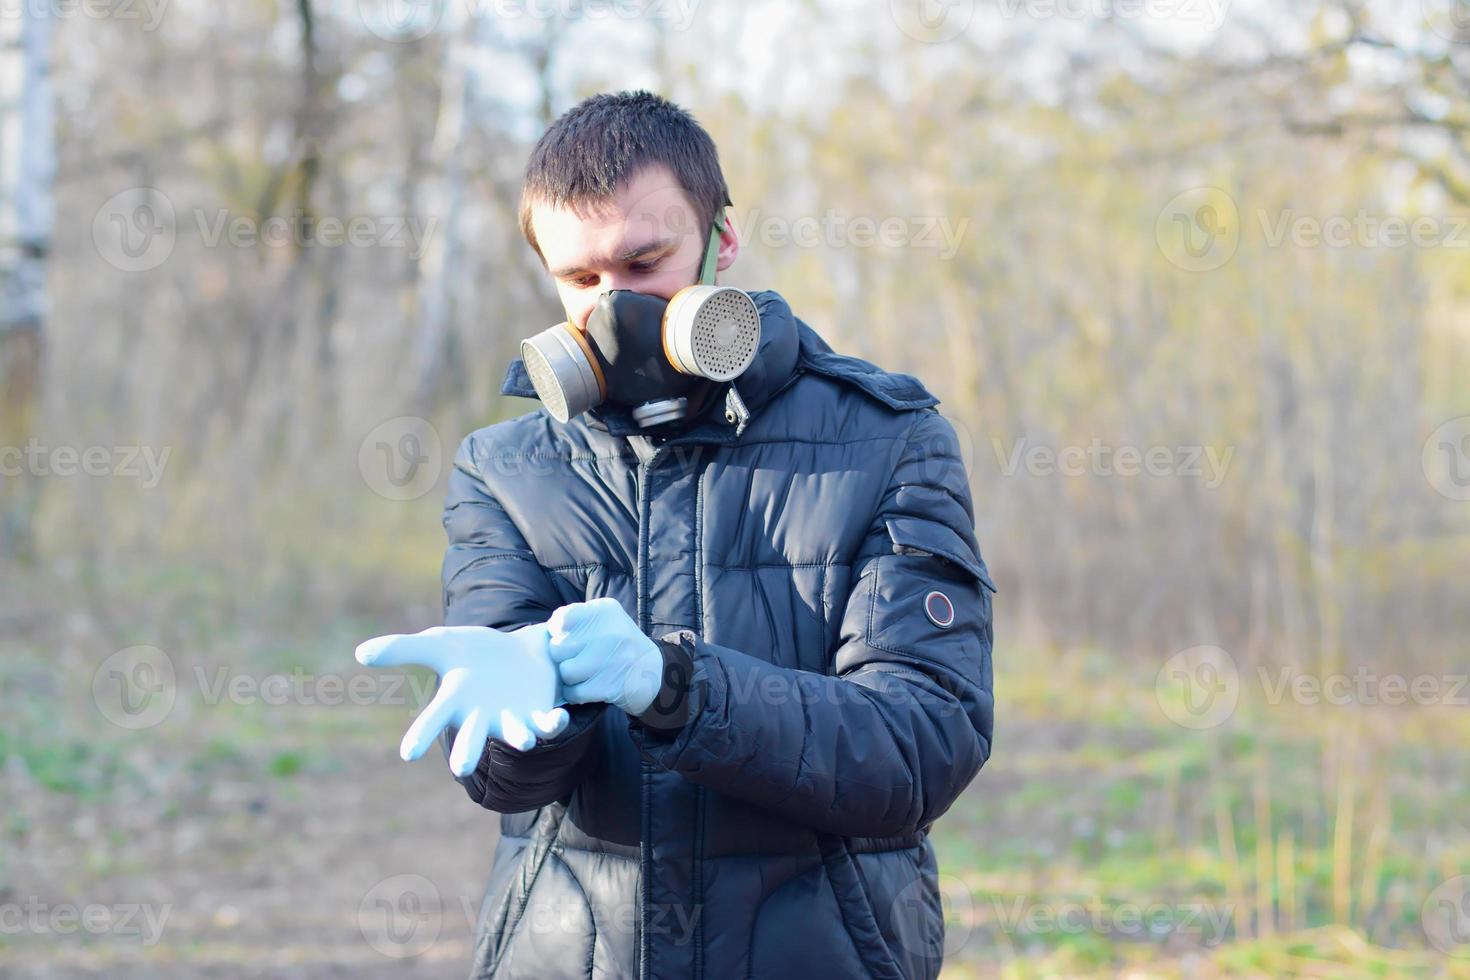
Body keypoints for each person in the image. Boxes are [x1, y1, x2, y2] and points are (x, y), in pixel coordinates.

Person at [358, 90, 997, 980]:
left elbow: (921, 746)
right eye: (581, 280)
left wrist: (675, 684)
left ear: (721, 241)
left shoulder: (888, 440)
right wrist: (536, 705)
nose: (613, 310)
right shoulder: (503, 469)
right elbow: (505, 783)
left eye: (644, 262)